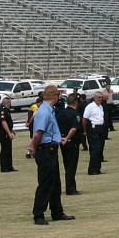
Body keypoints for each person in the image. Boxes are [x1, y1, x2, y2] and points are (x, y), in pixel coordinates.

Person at [28, 85, 73, 224]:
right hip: (45, 150)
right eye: (59, 95)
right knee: (46, 183)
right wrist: (33, 149)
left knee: (55, 183)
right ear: (55, 96)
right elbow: (38, 134)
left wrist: (60, 139)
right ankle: (38, 214)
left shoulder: (50, 111)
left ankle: (57, 211)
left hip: (52, 149)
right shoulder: (44, 112)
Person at [56, 92, 83, 195]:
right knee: (72, 166)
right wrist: (67, 138)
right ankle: (71, 188)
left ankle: (70, 186)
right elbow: (74, 128)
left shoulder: (61, 113)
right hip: (71, 142)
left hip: (62, 141)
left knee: (67, 165)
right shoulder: (75, 114)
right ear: (76, 102)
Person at [82, 91, 108, 175]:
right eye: (99, 97)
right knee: (94, 149)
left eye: (101, 97)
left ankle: (97, 168)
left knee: (100, 149)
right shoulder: (90, 107)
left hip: (101, 128)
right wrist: (85, 131)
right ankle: (92, 169)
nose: (100, 99)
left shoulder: (101, 107)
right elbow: (84, 119)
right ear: (95, 98)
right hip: (93, 128)